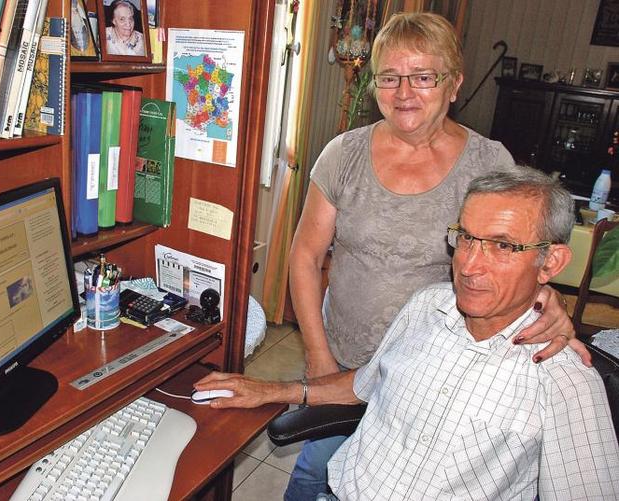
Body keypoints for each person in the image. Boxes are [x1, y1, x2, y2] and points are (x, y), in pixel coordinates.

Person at [286, 12, 585, 499]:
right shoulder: (343, 154)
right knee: (315, 472)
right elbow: (304, 255)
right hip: (340, 356)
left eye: (423, 76)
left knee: (401, 477)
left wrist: (546, 298)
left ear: (453, 84)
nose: (405, 92)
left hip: (431, 370)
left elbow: (521, 250)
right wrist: (319, 357)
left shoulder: (489, 162)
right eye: (390, 77)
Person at [196, 168, 619, 500]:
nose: (469, 265)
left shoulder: (566, 381)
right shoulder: (426, 307)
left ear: (550, 263)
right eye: (467, 238)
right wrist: (270, 391)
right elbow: (365, 384)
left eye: (503, 246)